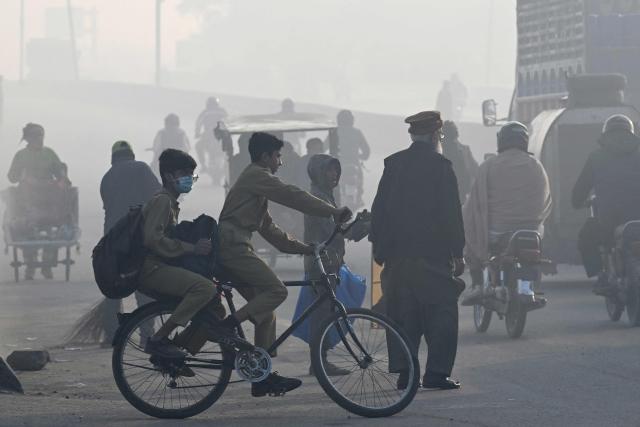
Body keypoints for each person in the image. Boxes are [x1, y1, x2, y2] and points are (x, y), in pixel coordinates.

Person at [217, 132, 352, 397]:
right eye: (278, 156)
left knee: (266, 313)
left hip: (237, 245)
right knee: (276, 291)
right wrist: (332, 211)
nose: (281, 161)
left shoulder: (256, 187)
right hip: (232, 245)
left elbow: (272, 231)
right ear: (265, 156)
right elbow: (292, 196)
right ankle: (228, 325)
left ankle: (261, 375)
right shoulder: (257, 175)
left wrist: (306, 249)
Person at [370, 111, 465, 390]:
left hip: (397, 258)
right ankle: (436, 374)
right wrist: (457, 252)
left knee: (402, 314)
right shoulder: (441, 167)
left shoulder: (394, 164)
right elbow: (451, 214)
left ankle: (405, 373)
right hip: (432, 257)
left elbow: (379, 211)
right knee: (442, 312)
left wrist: (380, 250)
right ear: (436, 135)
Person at [138, 149, 225, 361]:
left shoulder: (170, 201)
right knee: (204, 288)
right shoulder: (162, 201)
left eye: (192, 175)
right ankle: (158, 339)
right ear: (168, 176)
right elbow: (152, 239)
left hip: (163, 266)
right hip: (153, 269)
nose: (190, 180)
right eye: (185, 174)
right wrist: (191, 248)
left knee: (216, 310)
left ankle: (178, 352)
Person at [462, 122, 552, 304]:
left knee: (467, 223)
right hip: (531, 230)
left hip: (496, 232)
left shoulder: (489, 165)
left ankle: (478, 283)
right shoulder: (536, 166)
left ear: (501, 141)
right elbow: (547, 202)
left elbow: (474, 204)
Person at [303, 154, 368, 376]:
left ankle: (320, 360)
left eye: (335, 170)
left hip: (328, 262)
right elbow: (335, 231)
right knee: (321, 315)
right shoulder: (318, 199)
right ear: (317, 173)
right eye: (329, 171)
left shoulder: (326, 196)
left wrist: (359, 224)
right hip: (322, 265)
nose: (334, 175)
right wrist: (361, 226)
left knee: (324, 312)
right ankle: (319, 361)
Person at [99, 141, 161, 344]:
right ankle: (147, 335)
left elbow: (109, 208)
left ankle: (113, 336)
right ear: (131, 155)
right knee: (143, 286)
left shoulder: (106, 178)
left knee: (112, 289)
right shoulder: (142, 168)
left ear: (113, 158)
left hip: (112, 241)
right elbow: (159, 196)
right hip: (137, 237)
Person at [572, 114, 640, 294]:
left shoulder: (596, 157)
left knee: (586, 238)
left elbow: (579, 191)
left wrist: (578, 202)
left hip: (608, 221)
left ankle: (601, 275)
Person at [7, 123, 70, 280]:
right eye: (36, 135)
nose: (39, 138)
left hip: (49, 199)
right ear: (28, 138)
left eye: (41, 135)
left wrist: (62, 178)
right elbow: (11, 177)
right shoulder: (21, 155)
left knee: (51, 231)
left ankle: (47, 265)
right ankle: (31, 265)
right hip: (27, 200)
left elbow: (61, 173)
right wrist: (21, 175)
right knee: (26, 230)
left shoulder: (49, 154)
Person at [333, 110, 370, 208]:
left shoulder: (334, 132)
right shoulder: (357, 132)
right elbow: (366, 151)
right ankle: (359, 198)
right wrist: (361, 156)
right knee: (359, 181)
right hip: (354, 163)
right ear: (352, 120)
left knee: (333, 184)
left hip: (339, 164)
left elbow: (324, 147)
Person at [442, 120, 478, 203]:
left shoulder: (437, 152)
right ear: (456, 134)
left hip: (444, 195)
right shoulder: (464, 150)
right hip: (460, 194)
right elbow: (475, 170)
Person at [194, 96, 228, 180]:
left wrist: (197, 133)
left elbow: (198, 124)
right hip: (221, 136)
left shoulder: (205, 112)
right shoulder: (222, 111)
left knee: (198, 146)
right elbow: (229, 121)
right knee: (228, 151)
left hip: (208, 136)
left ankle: (203, 165)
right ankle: (228, 167)